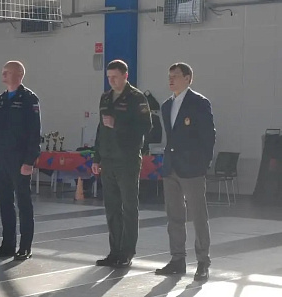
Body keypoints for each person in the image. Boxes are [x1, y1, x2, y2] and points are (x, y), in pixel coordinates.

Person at [155, 62, 216, 282]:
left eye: (176, 76)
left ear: (188, 78)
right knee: (174, 216)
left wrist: (203, 164)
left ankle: (203, 261)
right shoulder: (166, 105)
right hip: (171, 166)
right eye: (169, 76)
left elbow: (208, 136)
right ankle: (177, 259)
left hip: (192, 168)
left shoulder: (199, 102)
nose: (171, 79)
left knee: (198, 216)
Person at [92, 59, 152, 268]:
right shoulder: (105, 97)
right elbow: (100, 129)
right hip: (108, 159)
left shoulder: (137, 98)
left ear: (126, 76)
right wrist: (96, 157)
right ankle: (114, 251)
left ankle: (127, 252)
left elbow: (146, 127)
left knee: (129, 207)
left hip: (127, 160)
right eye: (109, 77)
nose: (111, 81)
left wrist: (118, 124)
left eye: (115, 77)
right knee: (112, 208)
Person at [0, 61, 41, 260]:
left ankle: (25, 246)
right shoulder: (0, 100)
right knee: (5, 203)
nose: (3, 75)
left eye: (7, 72)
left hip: (20, 160)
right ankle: (7, 245)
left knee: (23, 203)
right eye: (2, 72)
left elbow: (35, 131)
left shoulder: (28, 99)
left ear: (19, 74)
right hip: (2, 159)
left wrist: (30, 160)